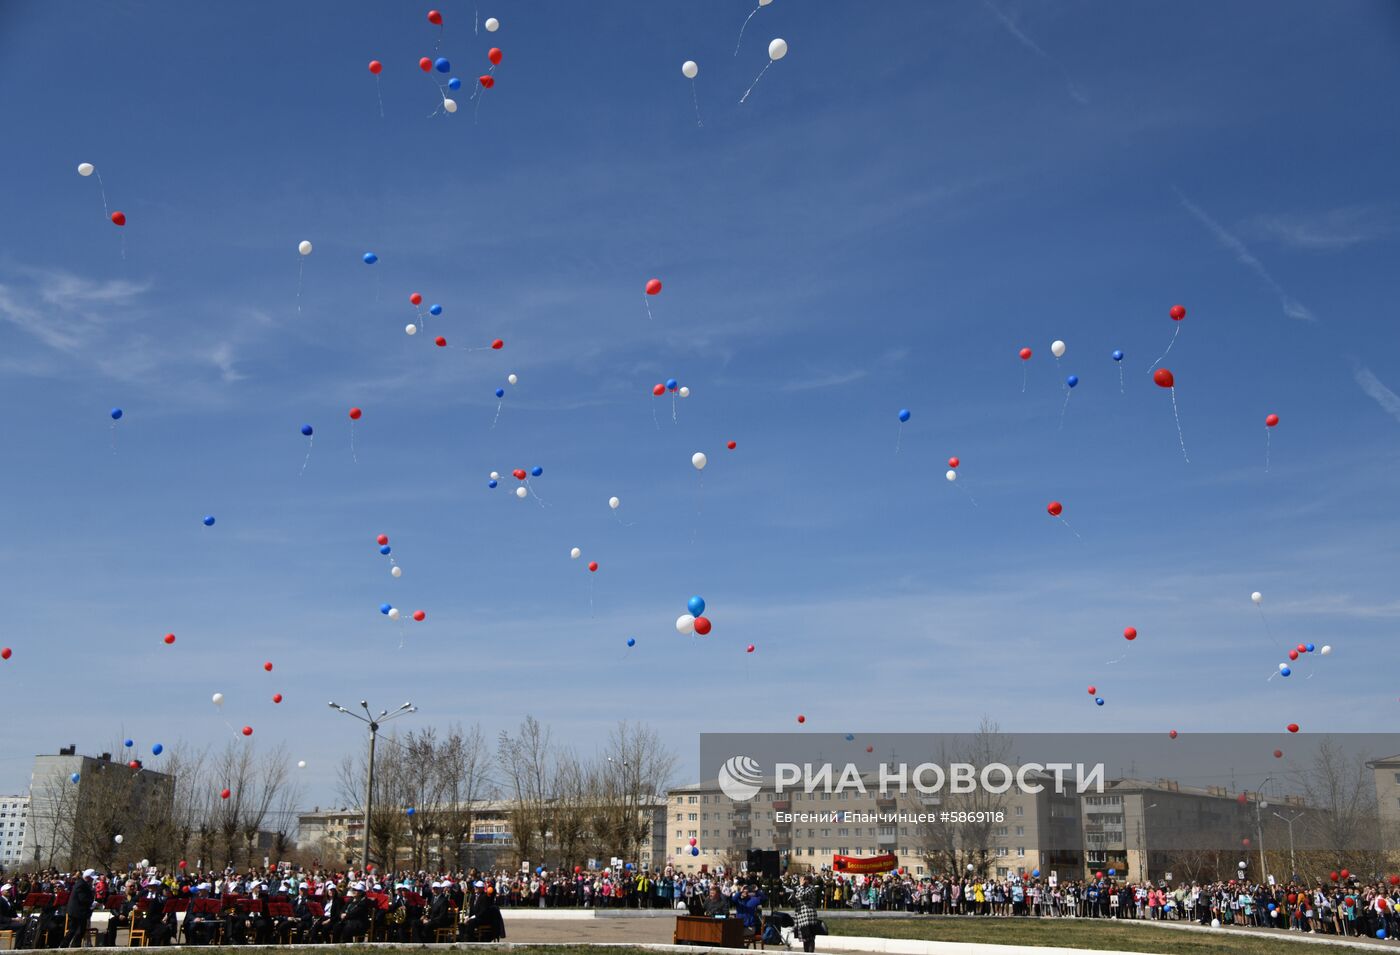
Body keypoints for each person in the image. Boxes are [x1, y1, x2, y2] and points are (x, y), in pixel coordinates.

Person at [61, 869, 95, 948]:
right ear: (87, 877)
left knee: (78, 929)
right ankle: (67, 945)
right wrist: (92, 902)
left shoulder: (82, 883)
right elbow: (82, 898)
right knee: (76, 929)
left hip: (78, 911)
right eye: (91, 878)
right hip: (76, 911)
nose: (93, 880)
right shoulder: (81, 884)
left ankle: (73, 945)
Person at [792, 874, 822, 955]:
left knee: (810, 937)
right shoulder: (799, 889)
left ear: (807, 881)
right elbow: (793, 899)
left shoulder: (811, 889)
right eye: (800, 879)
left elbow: (803, 895)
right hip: (801, 917)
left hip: (809, 917)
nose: (801, 881)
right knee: (804, 939)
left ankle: (810, 953)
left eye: (802, 879)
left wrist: (800, 887)